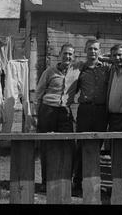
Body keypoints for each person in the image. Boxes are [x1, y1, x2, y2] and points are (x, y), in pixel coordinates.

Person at [35, 43, 79, 186]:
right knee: (47, 145)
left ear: (74, 57)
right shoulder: (49, 71)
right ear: (60, 55)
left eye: (70, 54)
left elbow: (94, 59)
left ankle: (66, 179)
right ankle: (46, 180)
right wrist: (36, 115)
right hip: (47, 110)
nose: (67, 56)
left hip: (65, 110)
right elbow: (39, 93)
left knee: (69, 145)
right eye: (65, 53)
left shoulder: (77, 70)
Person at [72, 39, 111, 193]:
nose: (92, 52)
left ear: (99, 51)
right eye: (90, 49)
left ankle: (93, 182)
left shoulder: (107, 69)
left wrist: (104, 58)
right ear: (85, 50)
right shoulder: (79, 69)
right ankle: (78, 182)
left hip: (102, 112)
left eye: (95, 49)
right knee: (81, 145)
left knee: (97, 147)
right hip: (85, 111)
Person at [106, 44, 122, 131]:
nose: (117, 58)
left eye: (120, 55)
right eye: (114, 55)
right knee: (112, 143)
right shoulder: (112, 69)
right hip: (111, 117)